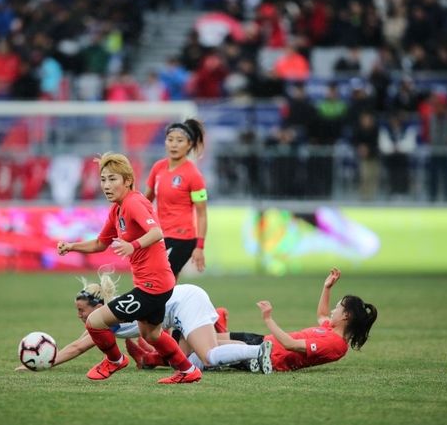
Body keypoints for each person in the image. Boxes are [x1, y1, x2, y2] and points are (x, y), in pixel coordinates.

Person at [56, 152, 201, 384]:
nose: (106, 185)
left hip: (152, 286)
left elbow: (156, 232)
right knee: (151, 334)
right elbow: (100, 243)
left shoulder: (133, 203)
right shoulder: (117, 209)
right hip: (157, 284)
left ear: (128, 181)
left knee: (95, 321)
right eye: (103, 179)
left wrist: (132, 246)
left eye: (112, 179)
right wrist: (72, 246)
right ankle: (188, 370)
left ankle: (114, 360)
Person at [15, 270, 272, 374]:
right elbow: (78, 343)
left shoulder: (107, 318)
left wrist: (44, 363)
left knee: (209, 356)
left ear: (98, 307)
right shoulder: (110, 313)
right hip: (181, 305)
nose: (80, 315)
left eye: (82, 310)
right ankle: (256, 350)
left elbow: (77, 347)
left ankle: (258, 351)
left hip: (185, 302)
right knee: (193, 361)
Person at [220, 268, 378, 372]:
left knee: (211, 347)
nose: (332, 310)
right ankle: (218, 326)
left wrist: (268, 319)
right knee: (212, 339)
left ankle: (216, 333)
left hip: (267, 356)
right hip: (264, 340)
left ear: (346, 316)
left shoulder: (335, 344)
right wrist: (327, 287)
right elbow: (322, 315)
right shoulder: (331, 329)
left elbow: (290, 344)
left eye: (337, 308)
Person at [145, 118, 208, 278]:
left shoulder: (194, 175)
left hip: (183, 237)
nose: (174, 144)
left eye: (179, 141)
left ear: (189, 144)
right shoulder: (158, 168)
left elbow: (202, 214)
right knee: (151, 278)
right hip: (160, 234)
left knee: (164, 279)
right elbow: (146, 201)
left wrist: (199, 247)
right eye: (170, 139)